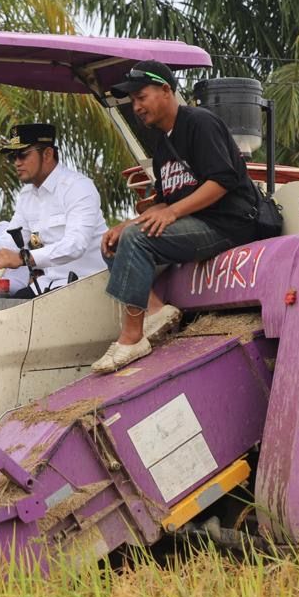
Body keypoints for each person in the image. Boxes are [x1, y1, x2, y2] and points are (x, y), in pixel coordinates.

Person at [91, 61, 261, 373]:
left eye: (141, 97)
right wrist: (127, 223)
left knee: (137, 240)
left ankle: (131, 339)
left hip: (229, 223)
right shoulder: (162, 143)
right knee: (116, 241)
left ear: (166, 90)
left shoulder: (199, 122)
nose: (137, 107)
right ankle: (156, 312)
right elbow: (167, 202)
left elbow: (222, 181)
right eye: (133, 101)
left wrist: (170, 213)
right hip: (197, 223)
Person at [0, 124, 108, 297]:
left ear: (47, 154)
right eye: (13, 157)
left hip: (89, 284)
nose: (17, 162)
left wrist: (24, 258)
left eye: (22, 154)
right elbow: (11, 242)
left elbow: (75, 244)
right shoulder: (27, 195)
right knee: (9, 311)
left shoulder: (78, 187)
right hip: (51, 285)